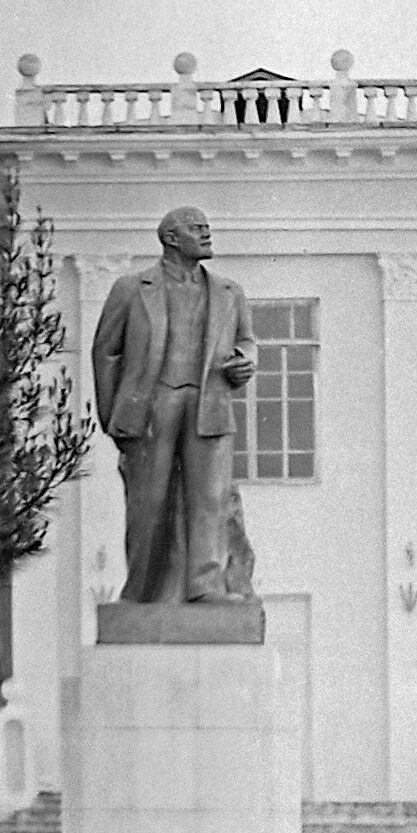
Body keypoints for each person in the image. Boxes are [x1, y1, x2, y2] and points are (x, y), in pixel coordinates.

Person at [91, 205, 257, 602]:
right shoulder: (131, 288)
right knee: (148, 503)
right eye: (197, 228)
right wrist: (114, 418)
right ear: (170, 238)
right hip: (153, 406)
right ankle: (142, 589)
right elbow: (106, 352)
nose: (207, 234)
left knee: (211, 500)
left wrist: (245, 360)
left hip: (209, 404)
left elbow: (246, 341)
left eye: (207, 228)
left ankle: (205, 586)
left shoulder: (229, 292)